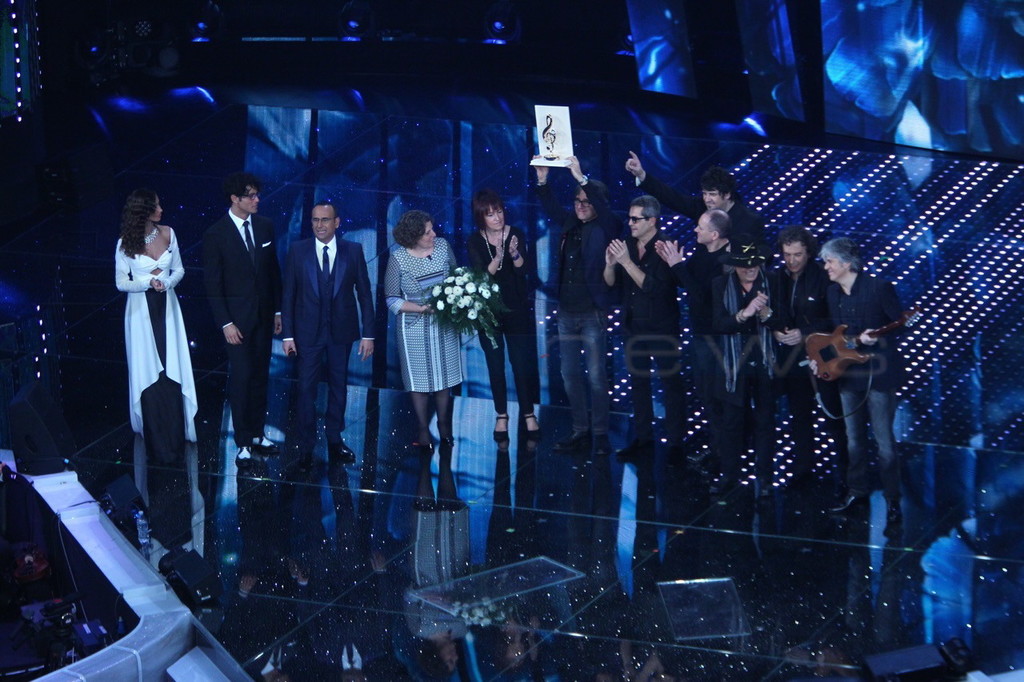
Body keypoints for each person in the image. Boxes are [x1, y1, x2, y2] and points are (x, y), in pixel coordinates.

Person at [535, 155, 619, 456]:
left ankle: (601, 434)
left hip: (592, 314)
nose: (580, 205)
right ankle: (580, 430)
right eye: (577, 200)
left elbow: (605, 211)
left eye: (586, 201)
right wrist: (543, 181)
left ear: (598, 203)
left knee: (596, 377)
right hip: (566, 313)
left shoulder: (608, 226)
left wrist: (581, 177)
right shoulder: (570, 223)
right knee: (569, 374)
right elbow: (551, 207)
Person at [818, 238, 906, 525]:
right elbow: (836, 334)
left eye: (830, 261)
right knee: (854, 439)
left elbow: (900, 326)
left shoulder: (879, 288)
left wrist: (875, 339)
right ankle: (857, 491)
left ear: (846, 263)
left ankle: (892, 499)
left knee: (884, 442)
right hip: (849, 375)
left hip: (879, 376)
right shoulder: (832, 292)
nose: (826, 267)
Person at [281, 203, 375, 466]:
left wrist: (369, 335)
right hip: (306, 333)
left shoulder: (353, 250)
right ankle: (306, 445)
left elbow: (365, 294)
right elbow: (288, 295)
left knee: (338, 387)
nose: (319, 225)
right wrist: (287, 335)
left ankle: (335, 438)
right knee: (305, 389)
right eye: (315, 220)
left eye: (324, 220)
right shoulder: (298, 250)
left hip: (341, 332)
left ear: (337, 222)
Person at [202, 172, 283, 467]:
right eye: (251, 196)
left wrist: (277, 311)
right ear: (235, 199)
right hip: (236, 322)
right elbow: (213, 284)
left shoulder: (265, 226)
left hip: (264, 316)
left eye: (257, 194)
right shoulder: (216, 234)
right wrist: (226, 323)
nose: (257, 200)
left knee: (261, 376)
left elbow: (273, 272)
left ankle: (258, 433)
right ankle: (243, 441)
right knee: (242, 377)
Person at [114, 189, 197, 462]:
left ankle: (176, 436)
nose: (161, 210)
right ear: (143, 212)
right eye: (156, 206)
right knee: (149, 372)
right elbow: (121, 282)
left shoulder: (169, 233)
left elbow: (179, 269)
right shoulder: (125, 243)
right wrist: (147, 283)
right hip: (140, 313)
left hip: (167, 309)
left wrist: (167, 283)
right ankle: (156, 442)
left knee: (171, 368)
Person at [603, 195, 686, 461]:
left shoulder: (666, 247)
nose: (630, 223)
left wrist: (627, 262)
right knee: (638, 384)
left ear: (652, 221)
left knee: (670, 386)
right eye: (629, 218)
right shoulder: (627, 244)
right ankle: (642, 438)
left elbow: (653, 288)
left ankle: (675, 443)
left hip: (662, 328)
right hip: (633, 326)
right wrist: (610, 265)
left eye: (635, 219)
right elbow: (611, 284)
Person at [653, 209, 731, 472]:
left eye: (700, 227)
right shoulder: (702, 252)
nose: (695, 230)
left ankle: (724, 457)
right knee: (705, 394)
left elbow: (702, 296)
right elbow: (686, 283)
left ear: (715, 234)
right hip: (700, 335)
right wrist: (671, 262)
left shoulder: (725, 261)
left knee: (717, 398)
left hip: (717, 339)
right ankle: (716, 450)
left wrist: (677, 265)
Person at [711, 234, 788, 496]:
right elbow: (719, 324)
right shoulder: (720, 284)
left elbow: (783, 321)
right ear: (735, 265)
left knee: (765, 422)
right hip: (735, 365)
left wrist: (767, 314)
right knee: (732, 422)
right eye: (745, 265)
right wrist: (744, 314)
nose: (750, 269)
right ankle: (729, 475)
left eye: (754, 263)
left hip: (765, 363)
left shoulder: (773, 281)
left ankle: (764, 478)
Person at [771, 226, 847, 485]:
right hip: (791, 357)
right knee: (799, 413)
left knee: (832, 414)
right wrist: (777, 330)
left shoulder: (822, 277)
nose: (791, 261)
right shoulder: (777, 277)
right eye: (787, 255)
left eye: (797, 255)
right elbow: (773, 312)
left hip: (823, 356)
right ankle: (804, 468)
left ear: (808, 253)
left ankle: (846, 472)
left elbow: (834, 319)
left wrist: (803, 333)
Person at [466, 189, 541, 440]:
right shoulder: (475, 241)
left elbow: (523, 270)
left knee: (520, 363)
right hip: (489, 312)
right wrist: (497, 257)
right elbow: (482, 277)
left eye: (498, 211)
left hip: (516, 308)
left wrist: (514, 254)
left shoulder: (516, 233)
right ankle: (501, 415)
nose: (497, 217)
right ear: (481, 217)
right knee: (495, 364)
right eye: (490, 214)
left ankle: (528, 413)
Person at [384, 210, 462, 448]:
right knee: (418, 381)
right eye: (427, 232)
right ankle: (422, 428)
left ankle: (444, 424)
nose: (433, 234)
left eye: (432, 229)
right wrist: (421, 308)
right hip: (413, 327)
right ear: (414, 236)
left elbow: (457, 277)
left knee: (443, 376)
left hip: (444, 323)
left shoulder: (443, 246)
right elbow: (392, 299)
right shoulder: (398, 259)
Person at [624, 152, 765, 240]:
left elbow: (764, 256)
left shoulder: (749, 221)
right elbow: (671, 197)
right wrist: (641, 174)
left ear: (727, 194)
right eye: (705, 193)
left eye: (712, 194)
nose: (707, 199)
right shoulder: (700, 207)